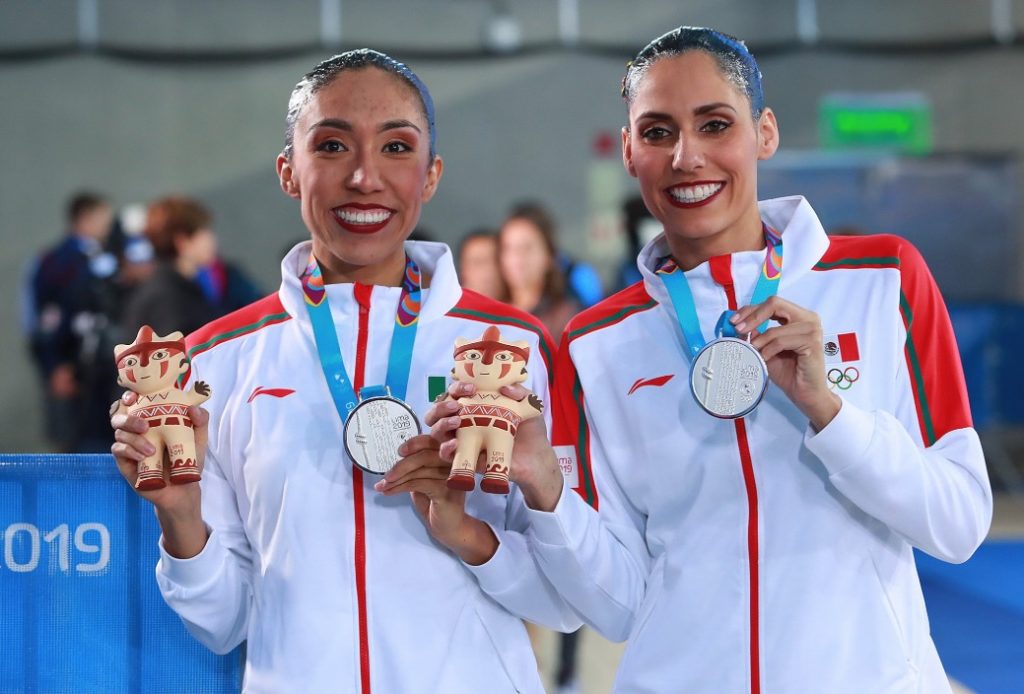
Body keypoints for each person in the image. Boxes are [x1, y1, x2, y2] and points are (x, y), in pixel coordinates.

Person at [427, 27, 992, 693]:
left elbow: (958, 524)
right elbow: (618, 604)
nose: (686, 156)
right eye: (659, 132)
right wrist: (547, 488)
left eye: (715, 125)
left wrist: (830, 414)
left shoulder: (883, 278)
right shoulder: (597, 343)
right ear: (631, 151)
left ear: (765, 132)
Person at [110, 49, 578, 693]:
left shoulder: (512, 347)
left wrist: (470, 534)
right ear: (288, 172)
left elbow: (563, 602)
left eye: (396, 148)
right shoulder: (216, 361)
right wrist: (182, 518)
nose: (364, 177)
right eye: (331, 146)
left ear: (431, 174)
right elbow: (225, 624)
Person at [29, 191, 121, 452]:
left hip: (105, 366)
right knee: (83, 443)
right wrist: (55, 364)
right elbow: (49, 318)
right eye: (103, 218)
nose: (107, 225)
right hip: (75, 365)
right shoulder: (59, 261)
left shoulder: (104, 256)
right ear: (85, 218)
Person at [498, 203, 582, 341]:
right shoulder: (491, 318)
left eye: (527, 247)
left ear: (549, 255)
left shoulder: (568, 320)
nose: (517, 258)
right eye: (509, 248)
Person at [456, 228, 508, 301]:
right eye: (478, 262)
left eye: (496, 261)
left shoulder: (523, 308)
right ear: (463, 271)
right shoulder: (445, 310)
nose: (489, 272)